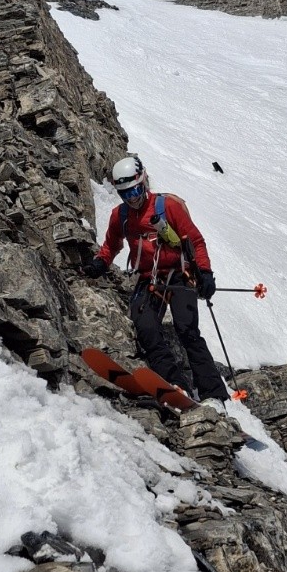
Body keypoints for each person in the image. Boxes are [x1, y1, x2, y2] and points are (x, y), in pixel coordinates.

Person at [83, 154, 228, 402]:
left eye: (135, 191)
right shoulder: (121, 216)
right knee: (146, 328)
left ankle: (215, 395)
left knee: (187, 330)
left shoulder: (167, 207)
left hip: (180, 276)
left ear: (144, 182)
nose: (132, 198)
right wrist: (100, 263)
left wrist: (205, 273)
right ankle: (175, 385)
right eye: (125, 194)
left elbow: (195, 241)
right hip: (149, 279)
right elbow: (111, 245)